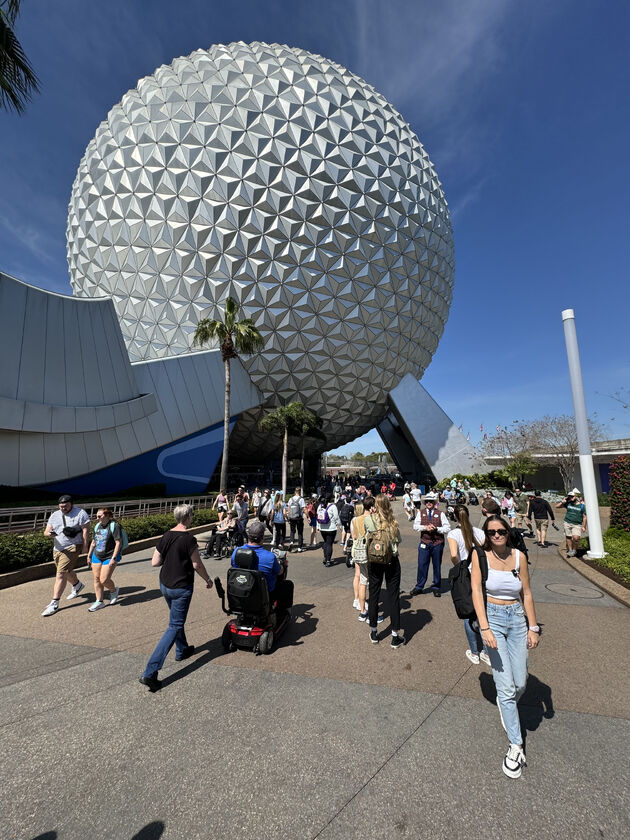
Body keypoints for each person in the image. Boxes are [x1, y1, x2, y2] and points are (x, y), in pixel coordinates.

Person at [470, 515, 540, 779]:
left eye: (500, 531)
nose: (496, 535)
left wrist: (533, 627)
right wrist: (485, 626)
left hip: (517, 619)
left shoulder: (519, 557)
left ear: (508, 532)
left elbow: (527, 593)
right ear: (486, 535)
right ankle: (515, 745)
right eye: (491, 532)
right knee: (507, 686)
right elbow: (476, 590)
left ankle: (506, 700)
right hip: (494, 618)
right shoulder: (480, 556)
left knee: (521, 682)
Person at [140, 504, 213, 692]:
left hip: (164, 584)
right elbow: (196, 564)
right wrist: (208, 579)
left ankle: (182, 649)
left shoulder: (166, 535)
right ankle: (151, 672)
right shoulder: (189, 539)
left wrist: (171, 558)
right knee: (174, 625)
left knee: (175, 620)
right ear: (188, 517)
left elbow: (155, 562)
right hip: (182, 587)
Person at [447, 505, 490, 666]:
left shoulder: (453, 533)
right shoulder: (479, 532)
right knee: (483, 612)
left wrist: (460, 567)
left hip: (465, 575)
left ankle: (474, 652)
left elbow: (453, 555)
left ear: (455, 517)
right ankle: (487, 651)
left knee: (468, 611)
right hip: (481, 573)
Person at [364, 494, 405, 648]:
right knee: (393, 596)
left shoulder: (369, 519)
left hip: (374, 560)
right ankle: (395, 635)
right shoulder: (392, 522)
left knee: (374, 594)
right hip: (391, 560)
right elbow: (398, 541)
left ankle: (374, 631)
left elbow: (366, 533)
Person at [41, 495, 90, 616]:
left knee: (61, 573)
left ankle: (55, 602)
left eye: (66, 506)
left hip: (73, 547)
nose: (63, 508)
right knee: (65, 570)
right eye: (61, 506)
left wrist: (85, 547)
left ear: (71, 504)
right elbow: (46, 532)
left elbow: (85, 530)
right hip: (58, 547)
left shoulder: (80, 513)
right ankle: (77, 585)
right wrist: (50, 534)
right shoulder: (55, 515)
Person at [231, 519, 293, 612]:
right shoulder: (269, 557)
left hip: (241, 590)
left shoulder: (236, 552)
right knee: (288, 585)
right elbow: (280, 572)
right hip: (265, 594)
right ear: (262, 537)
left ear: (248, 536)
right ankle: (282, 611)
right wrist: (282, 564)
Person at [410, 493, 450, 597]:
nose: (429, 503)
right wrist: (425, 528)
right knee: (422, 565)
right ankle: (419, 586)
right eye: (427, 501)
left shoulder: (441, 514)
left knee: (437, 566)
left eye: (431, 501)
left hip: (437, 543)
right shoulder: (421, 513)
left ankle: (436, 586)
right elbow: (415, 526)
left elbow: (447, 528)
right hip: (424, 542)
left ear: (434, 503)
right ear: (424, 503)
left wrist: (437, 529)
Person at [86, 507, 122, 611]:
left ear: (107, 515)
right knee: (97, 579)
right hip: (97, 555)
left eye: (99, 516)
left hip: (110, 555)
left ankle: (113, 590)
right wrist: (89, 555)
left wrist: (114, 558)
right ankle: (99, 601)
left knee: (104, 579)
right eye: (96, 516)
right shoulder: (97, 526)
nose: (97, 518)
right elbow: (93, 542)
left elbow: (118, 543)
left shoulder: (114, 526)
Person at [556, 489, 587, 557]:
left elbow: (584, 517)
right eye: (569, 496)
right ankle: (570, 550)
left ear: (576, 496)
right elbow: (557, 506)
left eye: (572, 496)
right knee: (568, 537)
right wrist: (562, 501)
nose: (571, 497)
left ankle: (574, 550)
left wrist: (584, 526)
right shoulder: (568, 503)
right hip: (567, 522)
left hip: (577, 524)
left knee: (576, 538)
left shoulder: (582, 506)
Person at [317, 493, 340, 567]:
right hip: (331, 528)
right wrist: (340, 525)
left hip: (322, 527)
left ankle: (325, 557)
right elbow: (336, 517)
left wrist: (318, 526)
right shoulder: (333, 506)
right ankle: (328, 560)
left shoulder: (320, 506)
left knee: (326, 542)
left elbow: (318, 516)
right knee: (329, 543)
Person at [287, 487, 306, 552]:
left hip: (292, 518)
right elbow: (304, 508)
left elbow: (288, 509)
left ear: (295, 492)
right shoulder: (301, 499)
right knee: (300, 532)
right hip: (299, 518)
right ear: (300, 492)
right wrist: (308, 516)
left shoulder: (290, 499)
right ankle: (299, 547)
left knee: (292, 531)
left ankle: (291, 542)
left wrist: (289, 517)